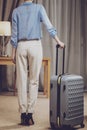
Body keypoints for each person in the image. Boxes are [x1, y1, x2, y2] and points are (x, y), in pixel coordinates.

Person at [11, 0, 64, 126]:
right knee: (34, 81)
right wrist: (58, 41)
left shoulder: (16, 11)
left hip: (21, 46)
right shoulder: (39, 8)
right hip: (35, 45)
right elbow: (49, 26)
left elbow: (14, 35)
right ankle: (30, 115)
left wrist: (13, 53)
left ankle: (23, 114)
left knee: (21, 81)